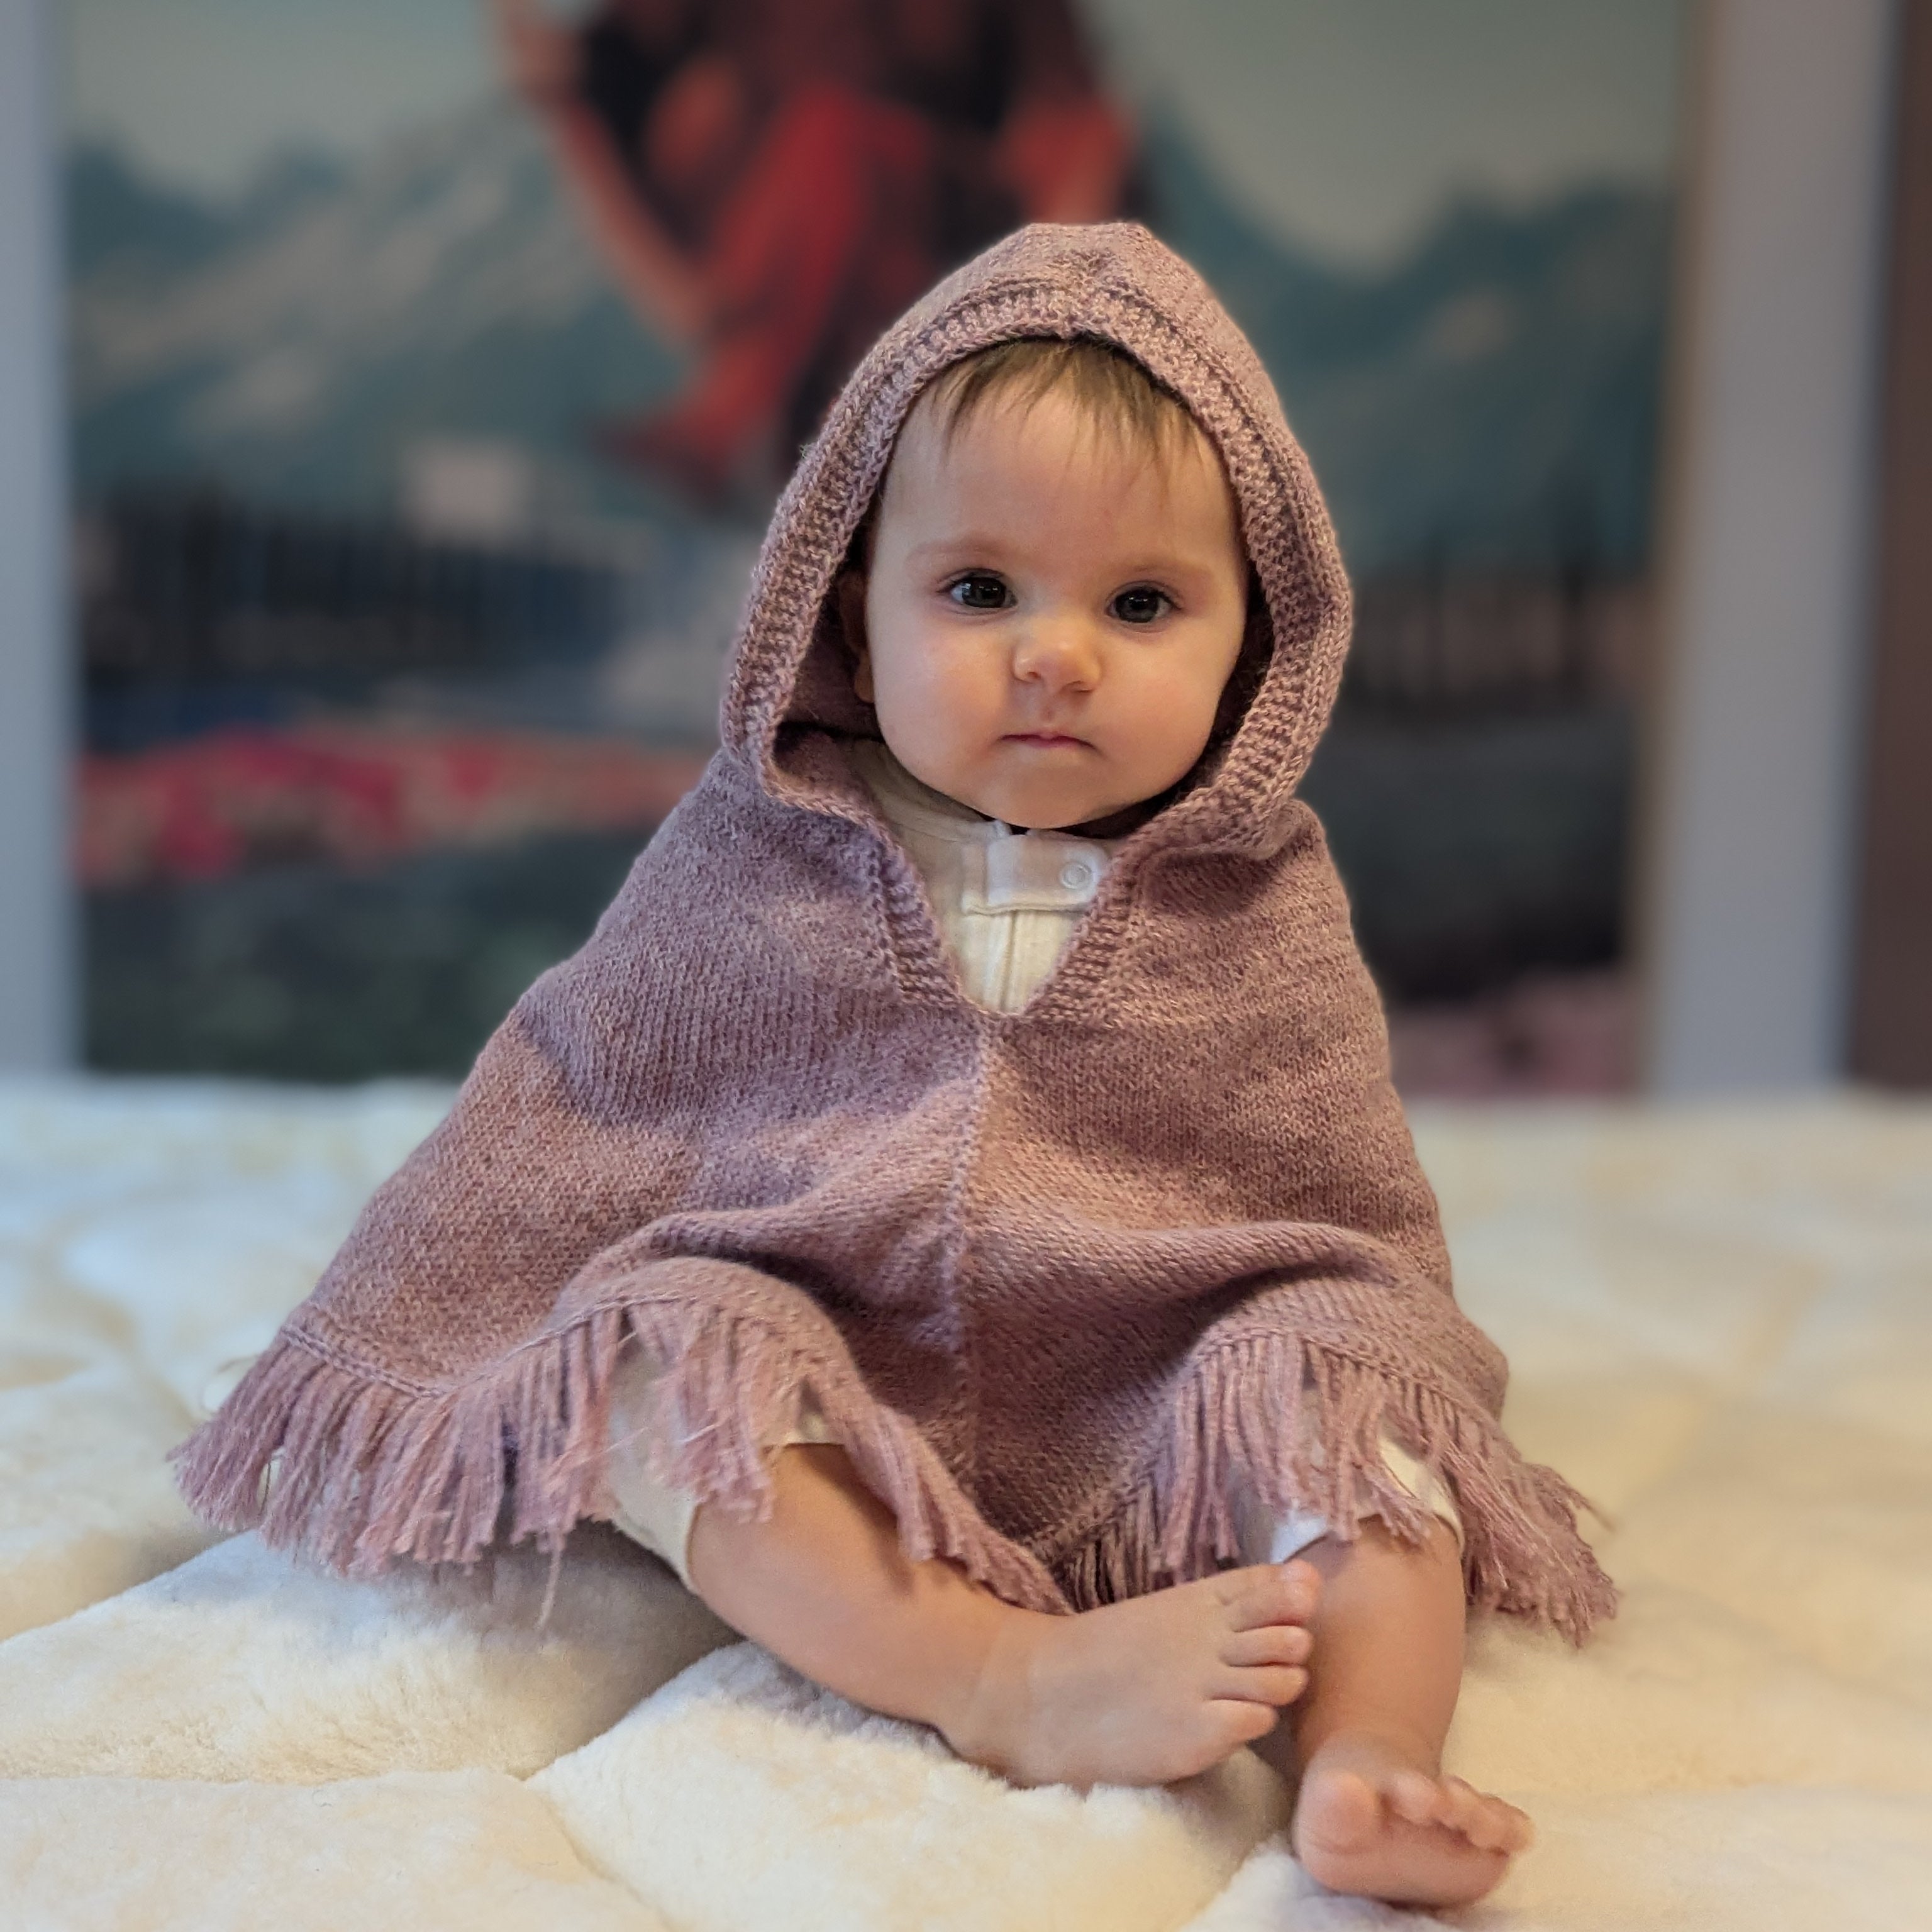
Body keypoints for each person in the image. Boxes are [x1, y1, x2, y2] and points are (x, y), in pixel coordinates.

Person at [175, 223, 1614, 1910]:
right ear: (853, 606)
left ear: (1255, 645)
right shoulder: (760, 854)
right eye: (980, 589)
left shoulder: (1254, 894)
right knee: (663, 1369)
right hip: (822, 1340)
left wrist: (1333, 1352)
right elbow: (586, 1107)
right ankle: (981, 1669)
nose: (1053, 653)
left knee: (1356, 1407)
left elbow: (1328, 1205)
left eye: (1142, 602)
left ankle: (1372, 1752)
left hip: (1170, 1369)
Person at [491, 0, 1134, 503]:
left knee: (830, 136)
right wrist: (567, 96)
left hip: (937, 215)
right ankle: (763, 402)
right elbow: (616, 59)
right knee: (735, 125)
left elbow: (1074, 119)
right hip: (789, 237)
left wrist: (1029, 303)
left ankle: (730, 413)